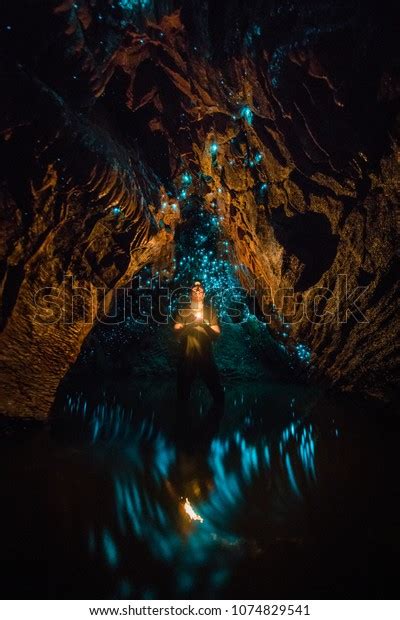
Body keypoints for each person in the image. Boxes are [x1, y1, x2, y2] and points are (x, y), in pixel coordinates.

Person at [173, 281, 224, 408]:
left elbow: (216, 334)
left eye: (200, 291)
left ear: (204, 294)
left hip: (206, 355)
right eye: (195, 291)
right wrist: (190, 326)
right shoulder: (183, 312)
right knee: (182, 395)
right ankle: (183, 424)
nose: (197, 293)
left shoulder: (210, 312)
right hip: (187, 356)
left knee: (217, 393)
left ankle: (214, 421)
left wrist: (204, 325)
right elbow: (176, 333)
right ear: (190, 294)